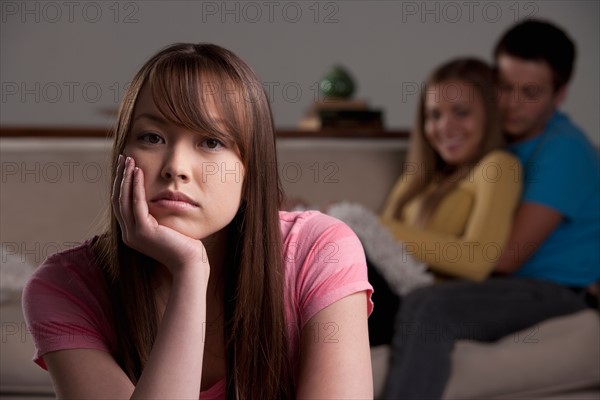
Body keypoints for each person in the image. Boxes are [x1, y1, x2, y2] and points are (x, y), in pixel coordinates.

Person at [22, 43, 374, 400]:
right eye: (152, 137)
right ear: (122, 155)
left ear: (250, 171)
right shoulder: (63, 288)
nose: (176, 166)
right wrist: (189, 270)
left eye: (210, 141)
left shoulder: (321, 250)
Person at [383, 19, 600, 400]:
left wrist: (375, 228)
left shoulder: (562, 151)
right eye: (504, 88)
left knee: (431, 306)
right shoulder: (492, 145)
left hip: (548, 290)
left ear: (560, 94)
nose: (511, 104)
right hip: (494, 286)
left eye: (530, 92)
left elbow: (502, 259)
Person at [366, 58, 522, 346]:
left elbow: (478, 261)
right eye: (434, 115)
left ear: (490, 115)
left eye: (461, 113)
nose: (445, 127)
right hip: (381, 289)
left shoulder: (497, 166)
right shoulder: (418, 178)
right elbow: (379, 249)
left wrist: (362, 223)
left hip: (420, 303)